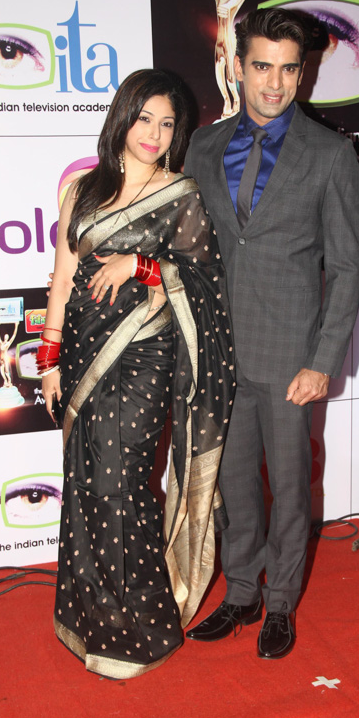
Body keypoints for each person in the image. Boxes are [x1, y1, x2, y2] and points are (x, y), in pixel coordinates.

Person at [41, 69, 235, 679]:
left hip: (145, 356)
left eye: (167, 124)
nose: (154, 133)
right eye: (145, 118)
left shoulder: (180, 194)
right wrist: (48, 362)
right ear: (123, 117)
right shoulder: (82, 189)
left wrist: (142, 266)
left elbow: (204, 281)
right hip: (82, 353)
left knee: (122, 483)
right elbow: (62, 279)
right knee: (85, 482)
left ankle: (141, 630)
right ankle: (88, 619)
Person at [184, 9, 359, 659]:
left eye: (289, 69)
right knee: (234, 484)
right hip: (219, 352)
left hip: (289, 355)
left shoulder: (330, 154)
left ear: (302, 73)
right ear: (237, 67)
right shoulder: (203, 147)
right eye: (262, 66)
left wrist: (322, 360)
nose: (275, 83)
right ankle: (241, 592)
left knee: (288, 487)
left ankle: (281, 602)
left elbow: (345, 267)